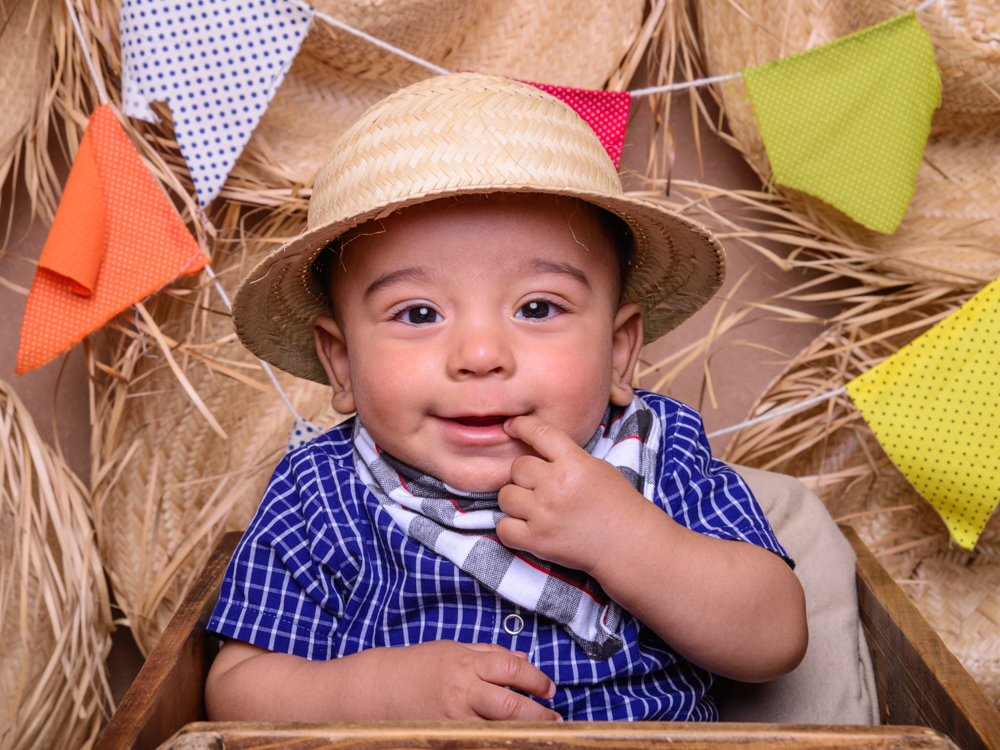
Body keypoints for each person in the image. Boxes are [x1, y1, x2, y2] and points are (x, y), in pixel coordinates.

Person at [204, 72, 807, 722]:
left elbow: (775, 637)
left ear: (621, 350)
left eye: (538, 306)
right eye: (417, 314)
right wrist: (379, 693)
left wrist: (626, 539)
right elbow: (234, 690)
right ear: (343, 364)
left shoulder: (659, 452)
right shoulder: (320, 492)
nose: (481, 355)